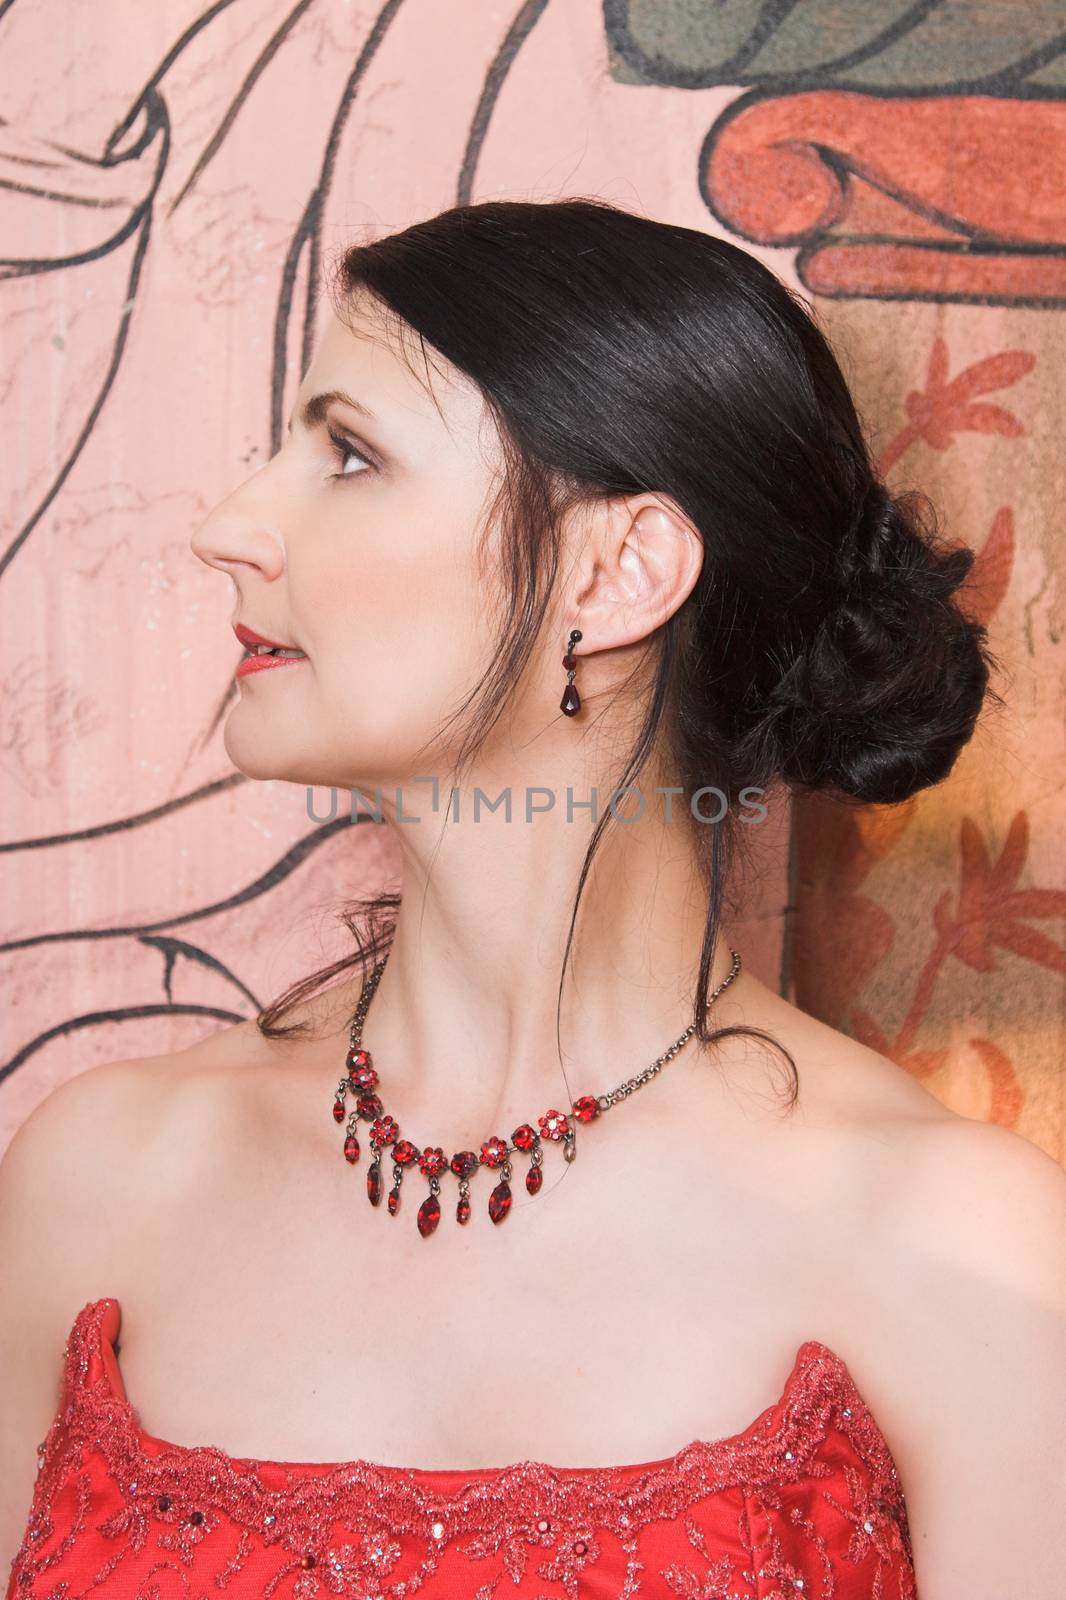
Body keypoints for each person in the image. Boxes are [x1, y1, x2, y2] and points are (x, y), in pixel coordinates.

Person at [2, 197, 1064, 1599]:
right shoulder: (98, 1179)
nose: (228, 528)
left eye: (350, 453)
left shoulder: (961, 1249)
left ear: (615, 572)